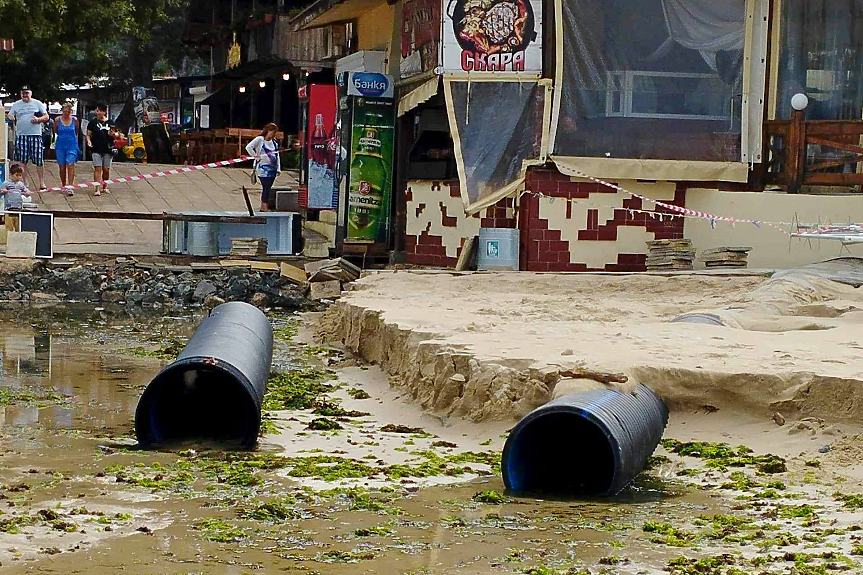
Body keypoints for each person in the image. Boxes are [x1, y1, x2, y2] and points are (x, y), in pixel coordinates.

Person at [5, 86, 50, 190]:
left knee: (39, 160)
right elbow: (11, 116)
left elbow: (46, 116)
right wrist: (10, 117)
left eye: (27, 93)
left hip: (35, 135)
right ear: (20, 94)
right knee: (22, 161)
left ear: (31, 93)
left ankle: (41, 182)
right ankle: (25, 182)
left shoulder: (37, 103)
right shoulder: (16, 104)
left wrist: (38, 119)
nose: (25, 95)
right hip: (21, 135)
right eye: (23, 93)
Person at [245, 123, 281, 212]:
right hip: (263, 169)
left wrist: (278, 168)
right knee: (266, 186)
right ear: (268, 131)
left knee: (268, 187)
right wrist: (255, 156)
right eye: (273, 132)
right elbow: (248, 147)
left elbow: (277, 155)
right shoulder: (260, 139)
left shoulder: (274, 143)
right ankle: (264, 205)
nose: (273, 134)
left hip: (272, 168)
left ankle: (263, 205)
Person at [86, 104, 118, 196]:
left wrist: (113, 134)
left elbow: (115, 134)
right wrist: (89, 141)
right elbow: (88, 134)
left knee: (106, 169)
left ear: (103, 112)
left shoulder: (110, 122)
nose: (97, 112)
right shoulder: (92, 122)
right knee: (97, 168)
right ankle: (97, 188)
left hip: (107, 148)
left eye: (98, 110)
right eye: (96, 110)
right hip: (96, 148)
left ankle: (105, 186)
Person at [53, 103, 80, 196]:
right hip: (60, 145)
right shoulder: (57, 120)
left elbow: (77, 131)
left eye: (68, 112)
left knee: (70, 164)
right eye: (65, 111)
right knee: (62, 166)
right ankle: (64, 185)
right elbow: (55, 131)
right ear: (62, 111)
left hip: (71, 144)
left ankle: (70, 186)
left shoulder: (74, 120)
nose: (66, 113)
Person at [1, 164, 29, 233]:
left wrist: (27, 193)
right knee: (9, 229)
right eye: (17, 175)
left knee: (18, 228)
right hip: (8, 210)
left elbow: (26, 192)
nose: (19, 177)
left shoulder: (20, 184)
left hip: (18, 209)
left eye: (20, 175)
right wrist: (2, 191)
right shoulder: (6, 184)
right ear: (11, 174)